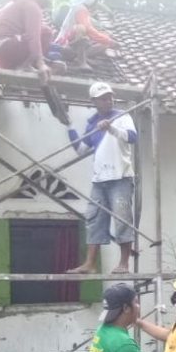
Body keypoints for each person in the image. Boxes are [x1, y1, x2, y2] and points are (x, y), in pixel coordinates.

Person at [67, 82, 138, 275]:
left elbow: (132, 137)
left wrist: (111, 129)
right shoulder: (92, 123)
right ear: (94, 101)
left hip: (120, 176)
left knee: (122, 219)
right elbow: (81, 149)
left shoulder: (122, 116)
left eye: (109, 97)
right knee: (95, 219)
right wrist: (69, 127)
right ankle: (90, 263)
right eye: (103, 98)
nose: (108, 100)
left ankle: (124, 264)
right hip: (99, 179)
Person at [0, 0, 62, 83]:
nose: (49, 0)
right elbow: (33, 37)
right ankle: (26, 66)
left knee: (42, 31)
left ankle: (25, 65)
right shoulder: (32, 6)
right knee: (46, 32)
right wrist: (41, 64)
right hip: (4, 48)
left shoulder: (19, 2)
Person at [55, 0, 119, 70]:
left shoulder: (80, 8)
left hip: (71, 45)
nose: (96, 3)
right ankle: (82, 61)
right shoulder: (80, 9)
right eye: (96, 0)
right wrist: (110, 41)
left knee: (104, 40)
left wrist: (107, 39)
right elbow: (89, 30)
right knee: (81, 28)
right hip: (65, 44)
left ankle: (82, 56)